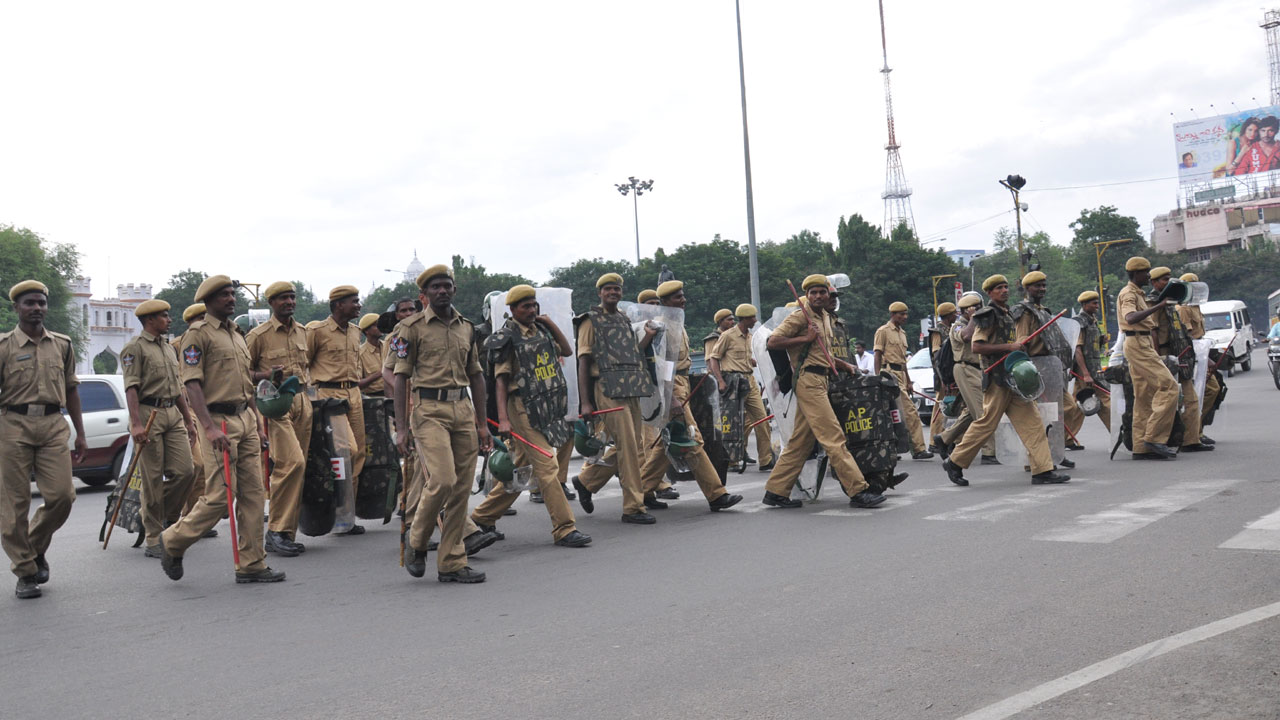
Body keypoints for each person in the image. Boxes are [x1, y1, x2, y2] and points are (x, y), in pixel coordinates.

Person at [159, 275, 284, 584]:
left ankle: (251, 563)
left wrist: (257, 418)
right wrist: (207, 428)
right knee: (219, 498)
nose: (231, 299)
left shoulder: (238, 334)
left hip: (244, 419)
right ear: (209, 301)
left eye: (232, 294)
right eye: (224, 295)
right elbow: (192, 384)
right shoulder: (197, 335)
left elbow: (242, 381)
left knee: (254, 495)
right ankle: (173, 540)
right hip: (217, 422)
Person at [470, 284, 591, 547]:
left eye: (534, 305)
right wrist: (503, 418)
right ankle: (564, 528)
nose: (532, 310)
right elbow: (500, 381)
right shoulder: (506, 337)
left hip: (545, 408)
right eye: (525, 306)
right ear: (512, 310)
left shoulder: (542, 329)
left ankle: (482, 516)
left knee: (521, 470)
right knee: (548, 466)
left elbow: (567, 351)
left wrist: (550, 322)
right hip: (521, 408)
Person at [394, 264, 493, 583]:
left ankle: (451, 561)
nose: (442, 291)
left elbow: (476, 375)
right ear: (425, 293)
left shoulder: (466, 327)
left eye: (446, 285)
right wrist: (401, 428)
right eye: (435, 287)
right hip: (428, 410)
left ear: (454, 289)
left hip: (462, 408)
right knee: (443, 479)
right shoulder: (410, 327)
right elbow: (399, 378)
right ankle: (417, 539)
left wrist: (482, 422)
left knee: (462, 488)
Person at [762, 274, 884, 509]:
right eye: (813, 293)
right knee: (834, 437)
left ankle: (775, 491)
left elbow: (822, 353)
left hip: (821, 379)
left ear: (828, 294)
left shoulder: (825, 317)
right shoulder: (800, 317)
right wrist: (804, 337)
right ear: (807, 295)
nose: (818, 296)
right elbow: (772, 342)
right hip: (808, 381)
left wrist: (843, 364)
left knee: (800, 442)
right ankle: (858, 490)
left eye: (822, 292)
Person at [1, 280, 86, 599]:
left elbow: (72, 389)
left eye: (41, 303)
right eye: (29, 303)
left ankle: (34, 547)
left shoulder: (62, 344)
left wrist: (81, 434)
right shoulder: (4, 346)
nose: (37, 308)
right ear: (16, 308)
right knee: (14, 505)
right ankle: (25, 572)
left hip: (53, 424)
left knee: (63, 496)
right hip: (13, 425)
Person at [941, 275, 1069, 486]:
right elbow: (977, 346)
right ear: (990, 293)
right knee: (986, 424)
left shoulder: (1008, 314)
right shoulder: (987, 315)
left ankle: (1042, 470)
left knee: (1033, 423)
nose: (1004, 291)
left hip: (1014, 378)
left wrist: (1018, 348)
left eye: (1006, 287)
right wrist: (1009, 347)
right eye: (999, 288)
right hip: (996, 380)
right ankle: (955, 462)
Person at [635, 281, 744, 511]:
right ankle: (716, 494)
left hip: (683, 382)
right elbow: (661, 367)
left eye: (682, 296)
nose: (682, 300)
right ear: (665, 303)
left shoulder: (678, 322)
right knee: (692, 440)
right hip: (671, 386)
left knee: (669, 444)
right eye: (677, 298)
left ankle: (641, 491)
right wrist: (672, 398)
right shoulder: (662, 327)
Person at [572, 273, 656, 524]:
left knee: (632, 445)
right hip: (606, 388)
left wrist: (648, 335)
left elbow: (632, 353)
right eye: (608, 289)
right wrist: (585, 402)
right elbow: (583, 361)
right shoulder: (589, 320)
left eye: (617, 289)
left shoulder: (623, 319)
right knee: (629, 446)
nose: (613, 293)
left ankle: (586, 481)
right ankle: (633, 507)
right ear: (600, 293)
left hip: (630, 387)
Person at [120, 299, 197, 559]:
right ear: (150, 320)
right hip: (147, 412)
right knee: (152, 479)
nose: (169, 319)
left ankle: (167, 518)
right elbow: (131, 387)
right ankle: (153, 536)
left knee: (187, 471)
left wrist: (188, 420)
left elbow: (177, 388)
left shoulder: (168, 348)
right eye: (164, 316)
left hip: (172, 413)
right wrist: (136, 424)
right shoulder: (134, 348)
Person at [245, 282, 312, 557]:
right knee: (290, 463)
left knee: (300, 467)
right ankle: (275, 531)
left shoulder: (304, 332)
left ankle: (286, 533)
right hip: (274, 405)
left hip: (303, 402)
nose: (289, 302)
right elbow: (242, 373)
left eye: (292, 297)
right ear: (271, 303)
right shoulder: (258, 336)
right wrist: (264, 375)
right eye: (283, 298)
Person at [308, 285, 366, 535]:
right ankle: (334, 507)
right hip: (328, 396)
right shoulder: (317, 331)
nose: (359, 305)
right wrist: (311, 401)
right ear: (338, 304)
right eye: (354, 301)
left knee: (359, 453)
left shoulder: (356, 332)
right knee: (345, 452)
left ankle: (346, 514)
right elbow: (304, 365)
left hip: (354, 394)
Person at [1115, 257, 1179, 460]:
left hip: (1141, 342)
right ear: (1135, 274)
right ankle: (1154, 438)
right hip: (1138, 344)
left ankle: (1141, 448)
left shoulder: (1137, 293)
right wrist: (1158, 307)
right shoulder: (1128, 294)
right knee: (1169, 387)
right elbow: (1130, 318)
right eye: (1146, 272)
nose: (1149, 276)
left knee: (1143, 397)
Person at [1013, 272, 1079, 468]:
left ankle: (1056, 450)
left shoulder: (1043, 310)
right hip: (1036, 367)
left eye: (1043, 285)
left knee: (1067, 409)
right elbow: (1021, 341)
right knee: (1041, 416)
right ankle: (1035, 458)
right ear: (1027, 289)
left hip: (1050, 366)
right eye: (1037, 286)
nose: (1042, 289)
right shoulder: (1023, 312)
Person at [1148, 267, 1211, 452]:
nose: (1168, 282)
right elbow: (1153, 331)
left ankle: (1191, 440)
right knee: (1167, 400)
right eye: (1164, 279)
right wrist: (1159, 358)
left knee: (1191, 399)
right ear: (1154, 282)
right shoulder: (1153, 302)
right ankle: (1161, 440)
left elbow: (1181, 331)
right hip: (1164, 354)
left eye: (1169, 278)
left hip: (1181, 354)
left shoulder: (1172, 300)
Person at [708, 302, 775, 471]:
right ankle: (731, 459)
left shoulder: (751, 338)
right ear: (744, 319)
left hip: (749, 380)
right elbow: (714, 358)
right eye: (752, 317)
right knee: (733, 423)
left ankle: (766, 459)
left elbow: (749, 360)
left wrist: (753, 361)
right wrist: (720, 381)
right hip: (732, 380)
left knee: (761, 419)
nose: (754, 320)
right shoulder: (727, 336)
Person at [934, 293, 999, 465]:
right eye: (975, 308)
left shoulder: (981, 323)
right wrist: (972, 319)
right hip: (965, 368)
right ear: (965, 311)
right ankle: (988, 452)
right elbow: (966, 336)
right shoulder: (958, 325)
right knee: (982, 412)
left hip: (979, 369)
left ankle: (945, 438)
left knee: (971, 411)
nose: (979, 311)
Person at [874, 302, 933, 460]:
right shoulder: (883, 331)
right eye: (901, 314)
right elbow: (877, 354)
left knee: (894, 414)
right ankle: (918, 449)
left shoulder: (902, 333)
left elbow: (902, 361)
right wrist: (877, 377)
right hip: (888, 374)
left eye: (906, 314)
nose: (905, 317)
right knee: (910, 412)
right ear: (893, 314)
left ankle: (895, 448)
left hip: (901, 373)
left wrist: (908, 381)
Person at [175, 303, 213, 522]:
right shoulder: (176, 346)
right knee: (195, 464)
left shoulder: (213, 341)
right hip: (184, 410)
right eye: (201, 318)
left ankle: (194, 516)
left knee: (205, 468)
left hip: (208, 409)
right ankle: (176, 513)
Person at [1175, 273, 1220, 444]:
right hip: (1193, 355)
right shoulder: (1183, 308)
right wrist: (1205, 359)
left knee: (1211, 390)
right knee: (1198, 393)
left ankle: (1197, 428)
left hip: (1202, 351)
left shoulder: (1195, 306)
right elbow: (1188, 337)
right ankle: (1192, 431)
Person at [1068, 290, 1112, 434]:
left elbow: (1090, 346)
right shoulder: (1079, 322)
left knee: (1078, 405)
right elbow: (1078, 349)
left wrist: (1100, 341)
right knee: (1104, 400)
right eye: (1094, 303)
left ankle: (1066, 437)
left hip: (1094, 367)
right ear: (1084, 304)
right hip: (1085, 369)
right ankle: (1120, 432)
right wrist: (1086, 374)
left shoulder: (1092, 320)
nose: (1097, 305)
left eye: (1097, 302)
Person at [927, 302, 957, 444]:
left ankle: (949, 438)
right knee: (941, 408)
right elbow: (937, 357)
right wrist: (943, 380)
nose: (956, 315)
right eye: (954, 313)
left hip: (952, 375)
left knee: (953, 407)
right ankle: (935, 440)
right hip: (943, 376)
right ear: (949, 315)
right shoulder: (938, 331)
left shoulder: (951, 329)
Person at [357, 312, 385, 396]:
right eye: (376, 325)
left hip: (395, 393)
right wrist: (379, 374)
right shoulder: (360, 354)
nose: (380, 327)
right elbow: (358, 384)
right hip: (373, 398)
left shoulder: (390, 347)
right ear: (366, 331)